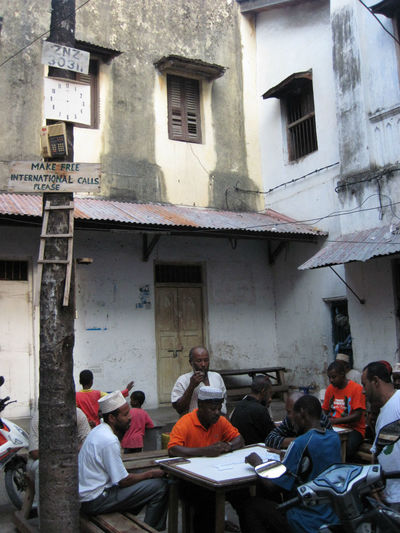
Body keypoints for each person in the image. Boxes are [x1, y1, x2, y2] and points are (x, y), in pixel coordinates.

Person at [243, 395, 341, 533]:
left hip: (306, 519)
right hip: (330, 515)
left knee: (251, 506)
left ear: (302, 414)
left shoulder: (300, 443)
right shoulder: (334, 437)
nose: (291, 420)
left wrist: (257, 463)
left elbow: (272, 486)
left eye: (292, 415)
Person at [79, 391, 168, 530]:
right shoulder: (109, 439)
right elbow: (123, 481)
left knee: (143, 484)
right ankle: (149, 529)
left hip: (90, 496)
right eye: (125, 415)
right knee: (160, 486)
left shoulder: (98, 430)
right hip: (95, 500)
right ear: (112, 418)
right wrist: (150, 474)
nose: (130, 417)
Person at [168, 386, 245, 533]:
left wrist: (228, 446)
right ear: (200, 405)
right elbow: (173, 449)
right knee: (207, 502)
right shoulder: (186, 422)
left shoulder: (220, 421)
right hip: (190, 481)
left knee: (243, 494)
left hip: (217, 475)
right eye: (212, 409)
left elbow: (239, 439)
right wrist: (205, 451)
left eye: (219, 408)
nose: (217, 413)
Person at [28, 407, 90, 510]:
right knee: (41, 468)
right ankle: (43, 513)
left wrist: (65, 454)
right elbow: (35, 452)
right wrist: (64, 453)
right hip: (41, 460)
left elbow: (87, 442)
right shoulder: (38, 417)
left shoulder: (78, 414)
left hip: (71, 457)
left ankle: (83, 506)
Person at [362, 361, 400, 509]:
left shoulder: (397, 404)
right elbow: (377, 451)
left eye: (364, 385)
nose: (363, 391)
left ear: (376, 381)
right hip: (390, 494)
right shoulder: (383, 412)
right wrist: (375, 487)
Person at [322, 360, 365, 460]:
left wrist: (335, 421)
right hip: (334, 427)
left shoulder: (356, 389)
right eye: (329, 377)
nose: (331, 380)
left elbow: (357, 415)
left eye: (334, 377)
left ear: (342, 374)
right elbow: (325, 410)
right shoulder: (330, 389)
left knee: (347, 449)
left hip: (354, 429)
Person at [171, 346, 227, 415]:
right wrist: (191, 386)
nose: (203, 364)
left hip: (216, 420)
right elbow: (179, 408)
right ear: (191, 362)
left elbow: (223, 402)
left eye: (206, 360)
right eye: (199, 361)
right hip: (193, 420)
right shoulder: (183, 380)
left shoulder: (216, 377)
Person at [265, 391, 332, 450]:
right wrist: (298, 441)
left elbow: (327, 443)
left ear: (302, 412)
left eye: (290, 412)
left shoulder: (319, 419)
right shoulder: (290, 420)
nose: (288, 415)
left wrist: (300, 442)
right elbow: (270, 438)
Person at [230, 375, 275, 445]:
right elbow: (272, 437)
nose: (270, 397)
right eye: (269, 393)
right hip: (255, 448)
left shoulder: (239, 405)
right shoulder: (260, 410)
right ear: (263, 391)